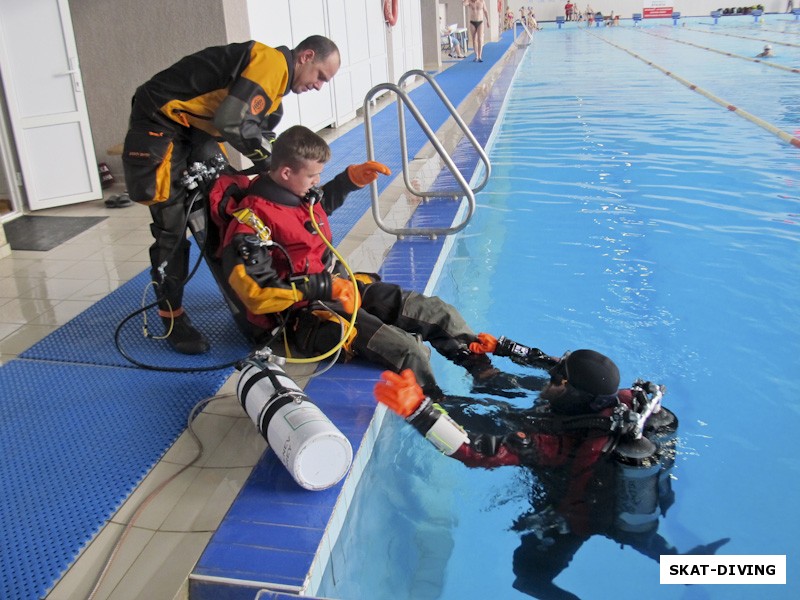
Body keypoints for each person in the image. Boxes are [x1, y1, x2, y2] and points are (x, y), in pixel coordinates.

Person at [375, 337, 730, 599]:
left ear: (575, 395)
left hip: (574, 518)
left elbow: (473, 452)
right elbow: (554, 365)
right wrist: (501, 346)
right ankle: (727, 571)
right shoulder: (617, 401)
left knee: (527, 579)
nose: (551, 382)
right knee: (653, 548)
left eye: (559, 383)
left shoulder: (556, 443)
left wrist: (419, 411)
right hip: (630, 513)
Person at [209, 125, 515, 400]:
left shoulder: (298, 195)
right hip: (301, 314)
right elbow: (256, 294)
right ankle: (437, 409)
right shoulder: (250, 223)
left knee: (437, 312)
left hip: (340, 288)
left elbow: (312, 213)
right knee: (409, 350)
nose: (317, 182)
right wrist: (323, 286)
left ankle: (481, 369)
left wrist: (347, 181)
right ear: (286, 173)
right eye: (313, 175)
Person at [122, 36, 341, 355]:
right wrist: (274, 165)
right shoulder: (271, 63)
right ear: (306, 56)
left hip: (196, 129)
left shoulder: (276, 88)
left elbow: (261, 134)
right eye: (321, 75)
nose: (320, 86)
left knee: (221, 206)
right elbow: (232, 122)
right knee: (171, 231)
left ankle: (248, 294)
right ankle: (172, 321)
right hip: (161, 120)